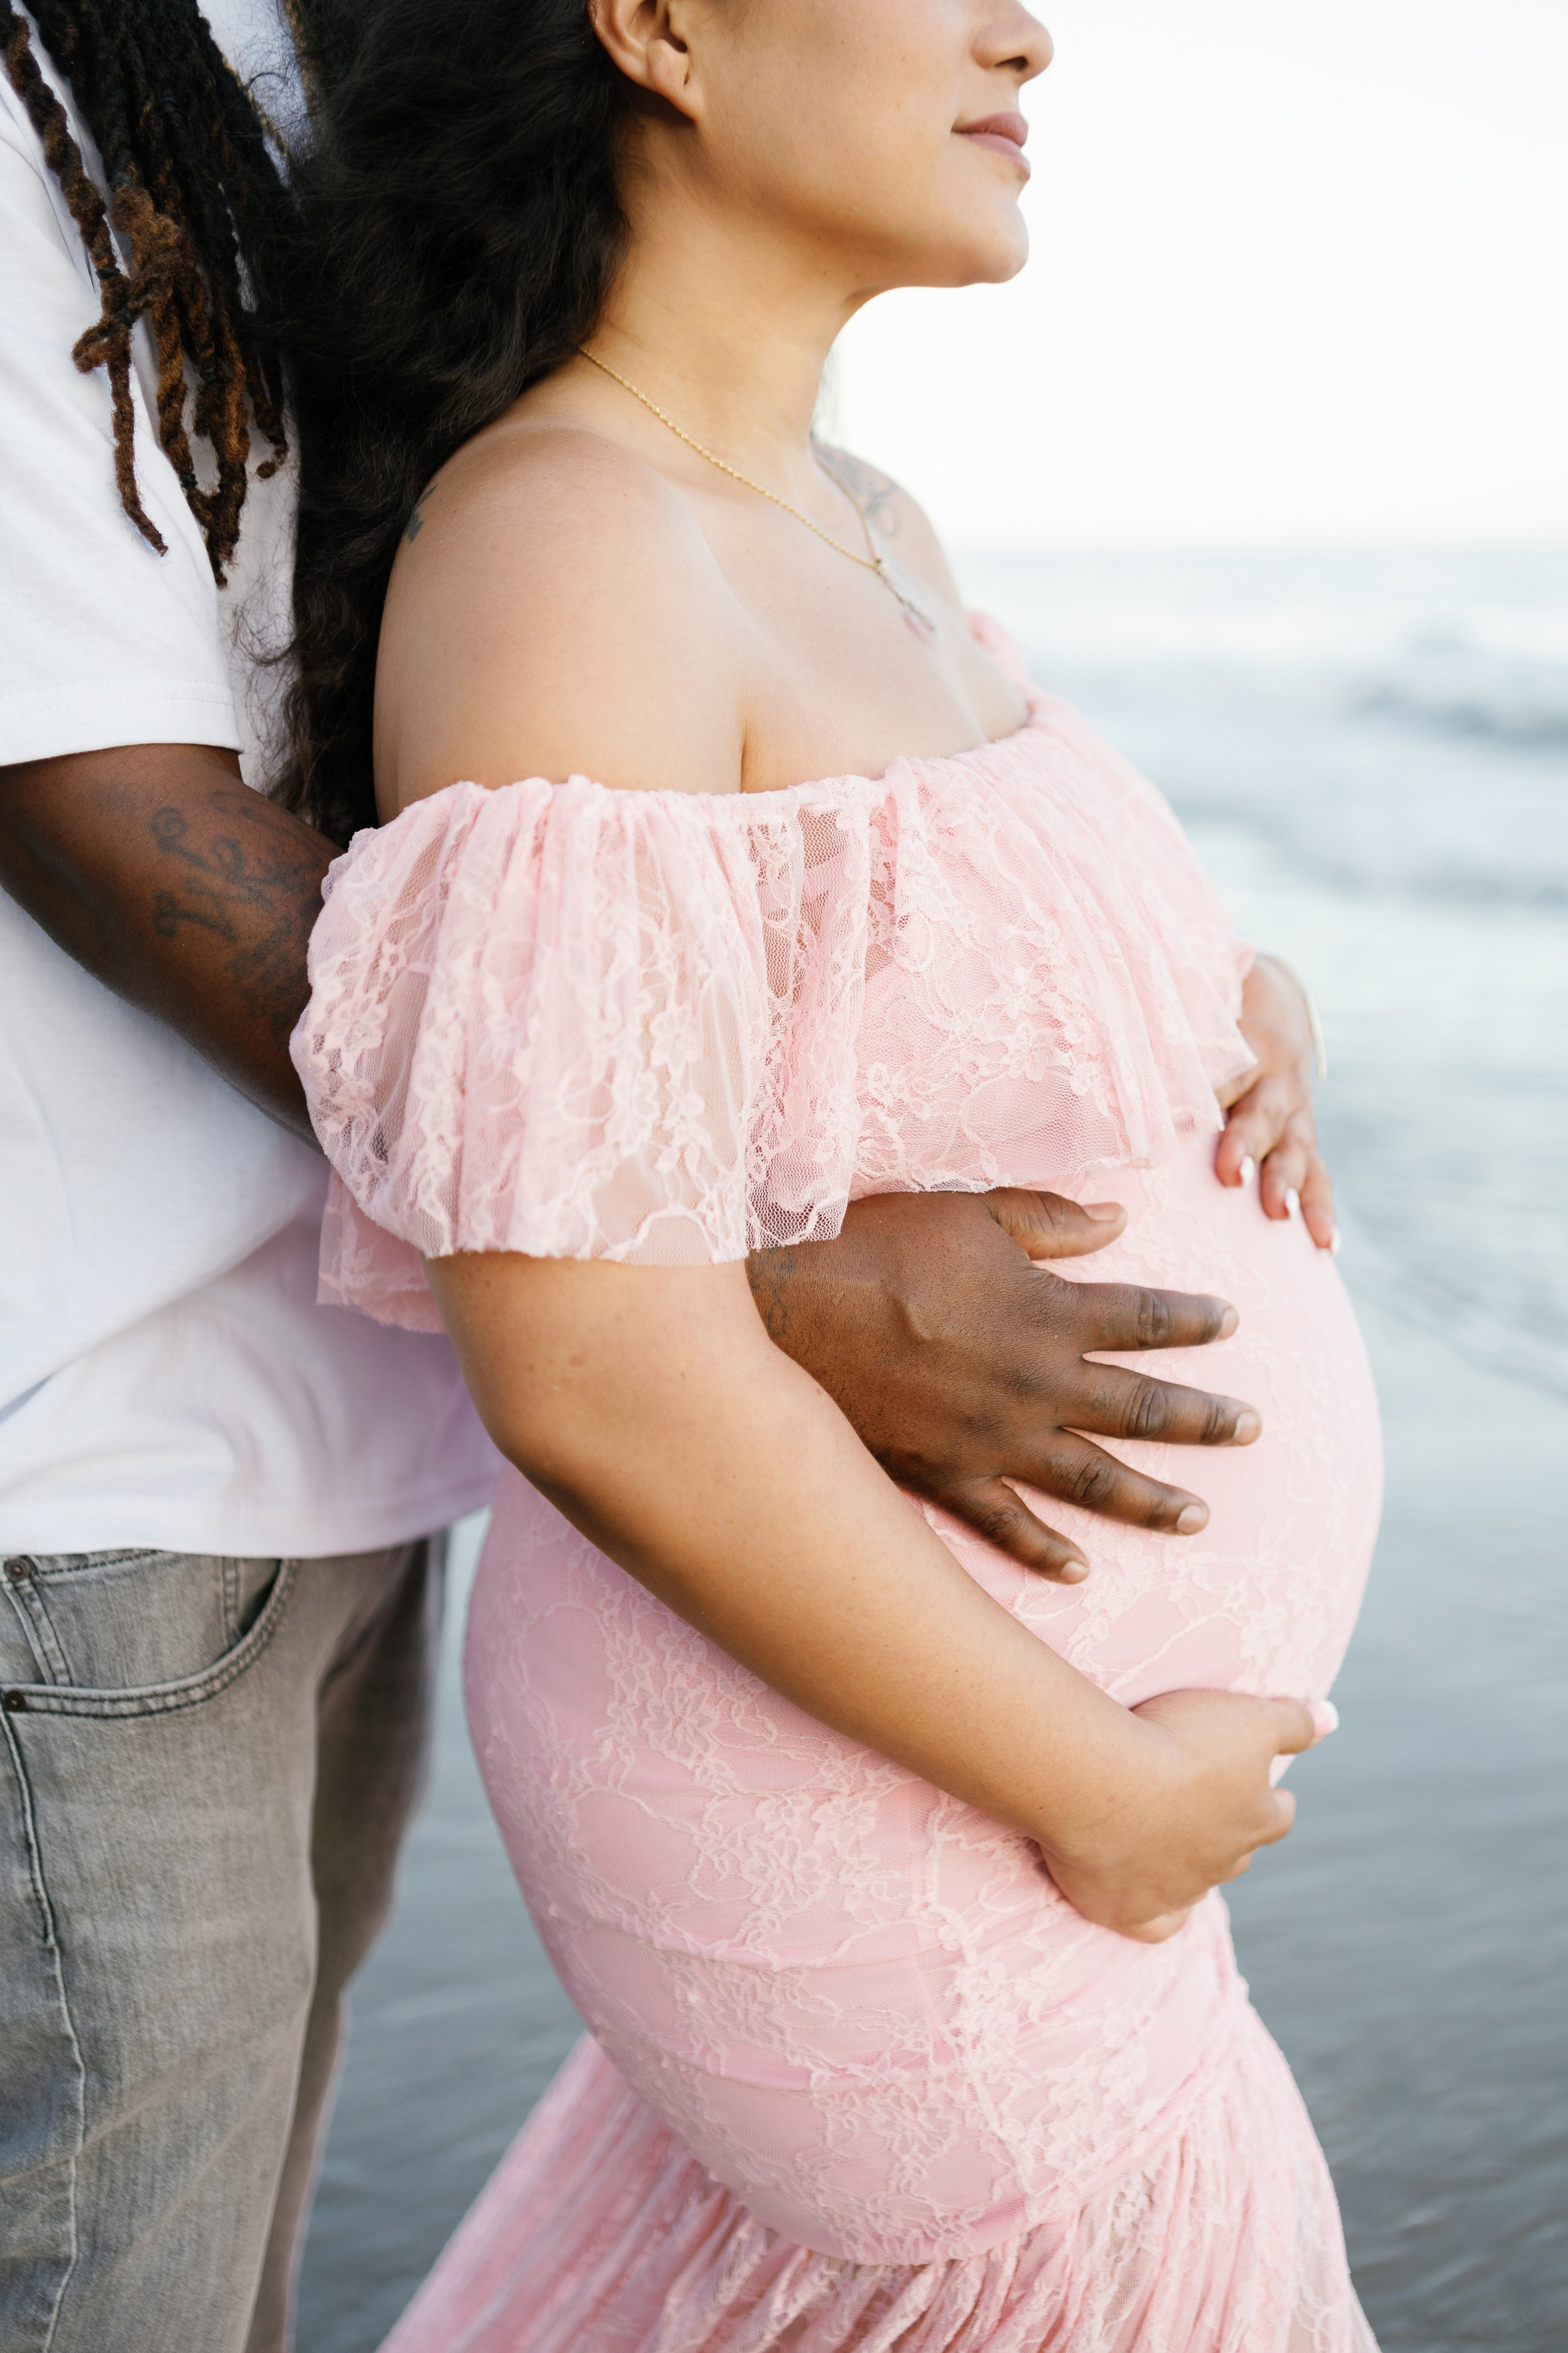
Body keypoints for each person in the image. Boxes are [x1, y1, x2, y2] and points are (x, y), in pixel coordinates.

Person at [0, 7, 1335, 2352]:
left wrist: (1222, 1007)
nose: (1029, 30)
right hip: (924, 1785)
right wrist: (1101, 1786)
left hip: (570, 1567)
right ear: (660, 31)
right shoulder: (570, 545)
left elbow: (880, 957)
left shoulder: (857, 517)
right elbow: (595, 1346)